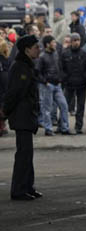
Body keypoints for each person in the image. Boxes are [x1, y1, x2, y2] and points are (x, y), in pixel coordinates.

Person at [2, 35, 43, 201]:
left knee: (27, 154)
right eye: (36, 47)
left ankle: (27, 186)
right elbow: (15, 93)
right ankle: (18, 189)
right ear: (27, 49)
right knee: (23, 155)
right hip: (22, 116)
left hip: (26, 116)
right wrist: (5, 111)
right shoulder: (20, 67)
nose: (38, 49)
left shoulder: (26, 66)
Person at [37, 35, 73, 136]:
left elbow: (59, 68)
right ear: (47, 44)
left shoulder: (56, 53)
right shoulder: (42, 56)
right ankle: (48, 129)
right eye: (53, 42)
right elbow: (37, 72)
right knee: (47, 108)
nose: (55, 44)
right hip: (47, 85)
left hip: (57, 85)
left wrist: (60, 79)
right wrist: (45, 82)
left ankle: (64, 128)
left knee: (64, 106)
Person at [61, 33, 86, 134]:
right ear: (71, 41)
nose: (76, 42)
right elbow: (61, 67)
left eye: (78, 40)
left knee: (80, 107)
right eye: (74, 40)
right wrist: (65, 78)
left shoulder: (85, 54)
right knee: (65, 105)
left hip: (82, 84)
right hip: (69, 84)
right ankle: (62, 125)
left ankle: (79, 126)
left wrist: (85, 77)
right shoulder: (65, 54)